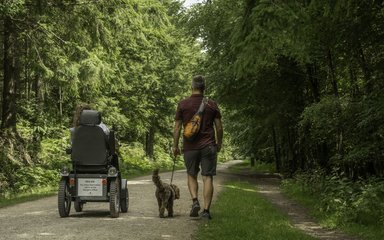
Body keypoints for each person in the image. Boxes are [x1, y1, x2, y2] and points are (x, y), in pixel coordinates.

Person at [173, 75, 223, 220]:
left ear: (192, 86)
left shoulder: (183, 104)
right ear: (204, 87)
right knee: (207, 177)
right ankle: (206, 211)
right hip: (208, 146)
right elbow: (219, 128)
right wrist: (219, 143)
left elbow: (177, 128)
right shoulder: (212, 104)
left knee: (191, 174)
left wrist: (175, 146)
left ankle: (195, 201)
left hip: (190, 147)